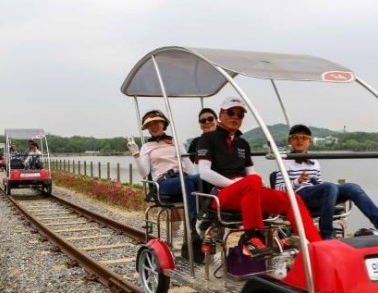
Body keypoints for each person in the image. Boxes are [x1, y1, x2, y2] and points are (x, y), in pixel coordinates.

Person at [196, 96, 323, 256]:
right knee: (252, 181)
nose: (235, 117)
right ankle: (252, 237)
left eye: (240, 115)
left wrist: (258, 184)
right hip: (221, 195)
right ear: (221, 114)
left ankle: (317, 247)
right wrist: (238, 183)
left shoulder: (243, 143)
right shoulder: (207, 138)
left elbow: (251, 172)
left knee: (291, 198)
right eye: (231, 113)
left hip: (247, 191)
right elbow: (204, 172)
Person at [273, 124, 378, 239]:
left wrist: (328, 186)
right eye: (296, 137)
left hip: (316, 194)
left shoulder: (314, 162)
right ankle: (326, 234)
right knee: (330, 188)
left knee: (352, 187)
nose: (300, 140)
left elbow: (319, 185)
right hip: (298, 197)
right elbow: (278, 190)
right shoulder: (285, 161)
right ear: (290, 141)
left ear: (309, 141)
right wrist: (298, 181)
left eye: (304, 138)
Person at [127, 110, 203, 262]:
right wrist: (136, 154)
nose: (154, 126)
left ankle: (209, 222)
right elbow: (144, 173)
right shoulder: (147, 147)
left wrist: (199, 179)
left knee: (202, 178)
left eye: (157, 122)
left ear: (163, 124)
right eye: (150, 124)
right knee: (187, 182)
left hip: (182, 179)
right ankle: (196, 221)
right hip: (164, 183)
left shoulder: (175, 142)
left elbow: (189, 166)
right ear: (147, 128)